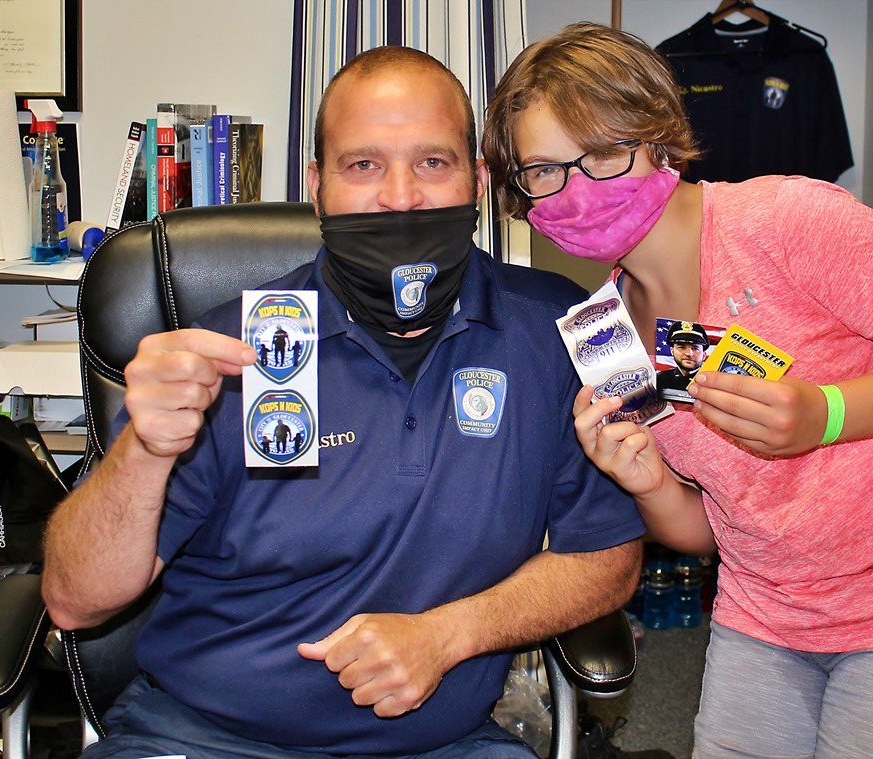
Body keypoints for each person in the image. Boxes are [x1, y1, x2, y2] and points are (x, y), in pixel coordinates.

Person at [42, 45, 644, 759]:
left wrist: (448, 635)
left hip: (440, 744)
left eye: (433, 162)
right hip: (204, 734)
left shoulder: (569, 327)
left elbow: (610, 554)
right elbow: (74, 600)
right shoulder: (224, 352)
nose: (400, 197)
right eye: (363, 165)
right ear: (318, 186)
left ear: (479, 181)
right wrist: (143, 453)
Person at [482, 22, 873, 759]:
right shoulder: (602, 335)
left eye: (602, 152)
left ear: (658, 136)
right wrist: (649, 482)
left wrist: (826, 413)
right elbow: (712, 528)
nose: (579, 188)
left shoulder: (786, 221)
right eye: (544, 169)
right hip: (766, 617)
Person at [656, 320, 709, 393]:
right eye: (681, 347)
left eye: (695, 348)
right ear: (672, 351)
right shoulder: (660, 379)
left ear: (704, 355)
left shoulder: (711, 381)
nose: (689, 354)